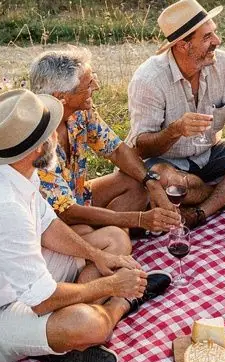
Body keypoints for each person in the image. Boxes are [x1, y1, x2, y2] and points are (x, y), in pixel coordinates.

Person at [0, 89, 171, 362]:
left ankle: (64, 338)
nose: (57, 134)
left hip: (13, 279)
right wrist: (113, 287)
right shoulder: (1, 207)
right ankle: (118, 306)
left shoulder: (10, 163)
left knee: (114, 240)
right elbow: (43, 300)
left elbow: (47, 225)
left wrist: (95, 255)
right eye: (50, 132)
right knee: (90, 324)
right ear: (36, 150)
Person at [127, 0, 225, 224]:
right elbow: (142, 147)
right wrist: (175, 130)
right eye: (207, 37)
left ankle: (200, 211)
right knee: (165, 180)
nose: (218, 41)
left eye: (214, 32)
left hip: (210, 155)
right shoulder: (149, 79)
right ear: (183, 44)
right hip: (168, 163)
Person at [29, 47, 180, 237]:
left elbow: (116, 150)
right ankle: (109, 238)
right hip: (53, 220)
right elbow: (66, 211)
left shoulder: (81, 112)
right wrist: (139, 219)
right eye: (89, 84)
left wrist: (152, 182)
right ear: (62, 97)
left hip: (78, 197)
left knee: (136, 181)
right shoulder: (36, 138)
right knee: (92, 233)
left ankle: (109, 234)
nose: (97, 87)